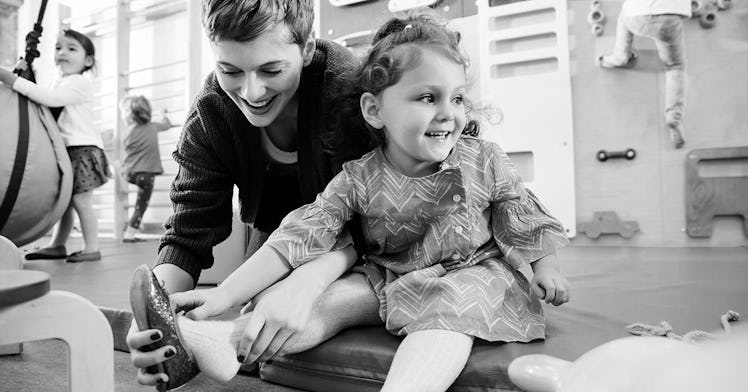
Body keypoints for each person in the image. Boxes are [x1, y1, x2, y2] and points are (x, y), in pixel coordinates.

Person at [131, 12, 572, 391]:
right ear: (374, 111)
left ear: (303, 51)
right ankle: (225, 343)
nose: (449, 112)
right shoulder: (358, 176)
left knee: (444, 315)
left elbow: (519, 212)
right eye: (426, 98)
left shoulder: (482, 159)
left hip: (471, 273)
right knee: (329, 303)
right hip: (389, 272)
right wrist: (224, 294)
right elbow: (297, 237)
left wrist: (544, 265)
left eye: (456, 98)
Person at [125, 1, 377, 388]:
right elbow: (189, 230)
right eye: (230, 70)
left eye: (271, 70)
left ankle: (226, 337)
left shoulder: (348, 90)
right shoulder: (211, 113)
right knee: (262, 308)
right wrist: (155, 316)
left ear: (307, 49)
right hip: (280, 234)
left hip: (358, 240)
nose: (251, 90)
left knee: (286, 310)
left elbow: (379, 225)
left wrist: (306, 282)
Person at [0, 29, 110, 262]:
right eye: (58, 48)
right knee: (66, 202)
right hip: (67, 150)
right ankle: (58, 244)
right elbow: (44, 99)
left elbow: (51, 100)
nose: (62, 53)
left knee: (81, 201)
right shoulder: (60, 81)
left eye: (72, 49)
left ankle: (92, 248)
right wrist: (26, 74)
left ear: (88, 60)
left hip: (83, 149)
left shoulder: (80, 82)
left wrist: (15, 81)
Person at [597, 0, 691, 149]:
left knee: (623, 18)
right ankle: (674, 116)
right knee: (675, 65)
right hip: (669, 17)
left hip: (636, 16)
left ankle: (619, 57)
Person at [119, 95, 172, 243]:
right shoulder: (153, 127)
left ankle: (118, 168)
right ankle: (129, 234)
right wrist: (163, 114)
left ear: (129, 116)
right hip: (146, 175)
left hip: (129, 173)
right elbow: (166, 124)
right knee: (140, 206)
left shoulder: (127, 132)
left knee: (123, 162)